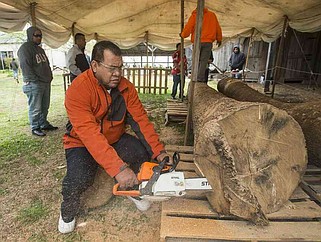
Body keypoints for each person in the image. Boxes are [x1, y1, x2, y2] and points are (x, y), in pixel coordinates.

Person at [58, 40, 173, 234]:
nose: (118, 73)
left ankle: (133, 192)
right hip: (82, 143)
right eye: (112, 68)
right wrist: (118, 168)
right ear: (94, 66)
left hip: (114, 138)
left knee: (141, 154)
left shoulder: (126, 88)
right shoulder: (78, 90)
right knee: (78, 178)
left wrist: (158, 151)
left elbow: (141, 122)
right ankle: (67, 212)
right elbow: (90, 135)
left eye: (120, 68)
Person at [18, 26, 58, 137]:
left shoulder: (40, 49)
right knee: (35, 107)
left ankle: (43, 123)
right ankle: (35, 127)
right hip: (34, 83)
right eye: (37, 35)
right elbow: (25, 66)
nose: (39, 38)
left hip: (45, 82)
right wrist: (34, 80)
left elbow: (46, 64)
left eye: (40, 35)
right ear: (30, 36)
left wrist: (49, 76)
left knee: (45, 106)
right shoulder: (25, 48)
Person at [180, 7, 222, 82]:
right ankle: (200, 78)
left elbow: (188, 28)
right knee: (203, 61)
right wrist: (219, 39)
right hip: (208, 42)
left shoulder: (195, 15)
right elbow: (218, 28)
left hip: (197, 42)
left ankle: (195, 77)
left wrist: (183, 35)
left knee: (196, 60)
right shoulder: (212, 15)